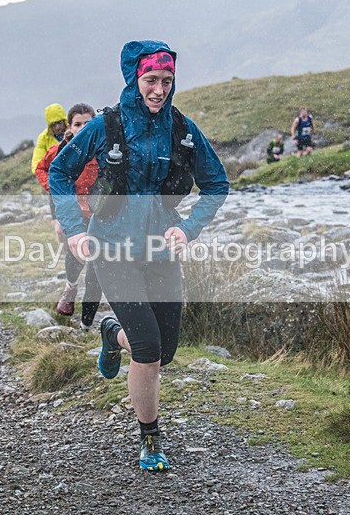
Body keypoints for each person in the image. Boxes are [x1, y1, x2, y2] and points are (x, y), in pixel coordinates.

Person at [49, 40, 229, 471]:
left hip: (161, 252)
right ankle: (150, 438)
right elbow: (60, 170)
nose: (159, 90)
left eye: (167, 81)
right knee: (148, 349)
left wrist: (187, 228)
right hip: (111, 249)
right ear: (135, 79)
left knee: (164, 351)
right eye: (151, 80)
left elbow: (217, 183)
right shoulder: (107, 125)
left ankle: (112, 335)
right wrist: (74, 230)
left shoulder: (182, 129)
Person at [34, 103, 102, 329]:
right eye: (77, 124)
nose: (83, 128)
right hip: (73, 214)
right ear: (69, 127)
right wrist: (55, 189)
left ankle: (86, 324)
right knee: (75, 256)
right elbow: (42, 169)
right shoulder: (59, 151)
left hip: (101, 215)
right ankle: (71, 287)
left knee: (96, 267)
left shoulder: (104, 148)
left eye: (88, 123)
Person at [31, 103, 68, 174]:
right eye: (53, 124)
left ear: (64, 121)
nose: (57, 127)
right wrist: (51, 182)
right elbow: (36, 166)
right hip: (55, 177)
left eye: (59, 122)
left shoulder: (75, 131)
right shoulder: (43, 138)